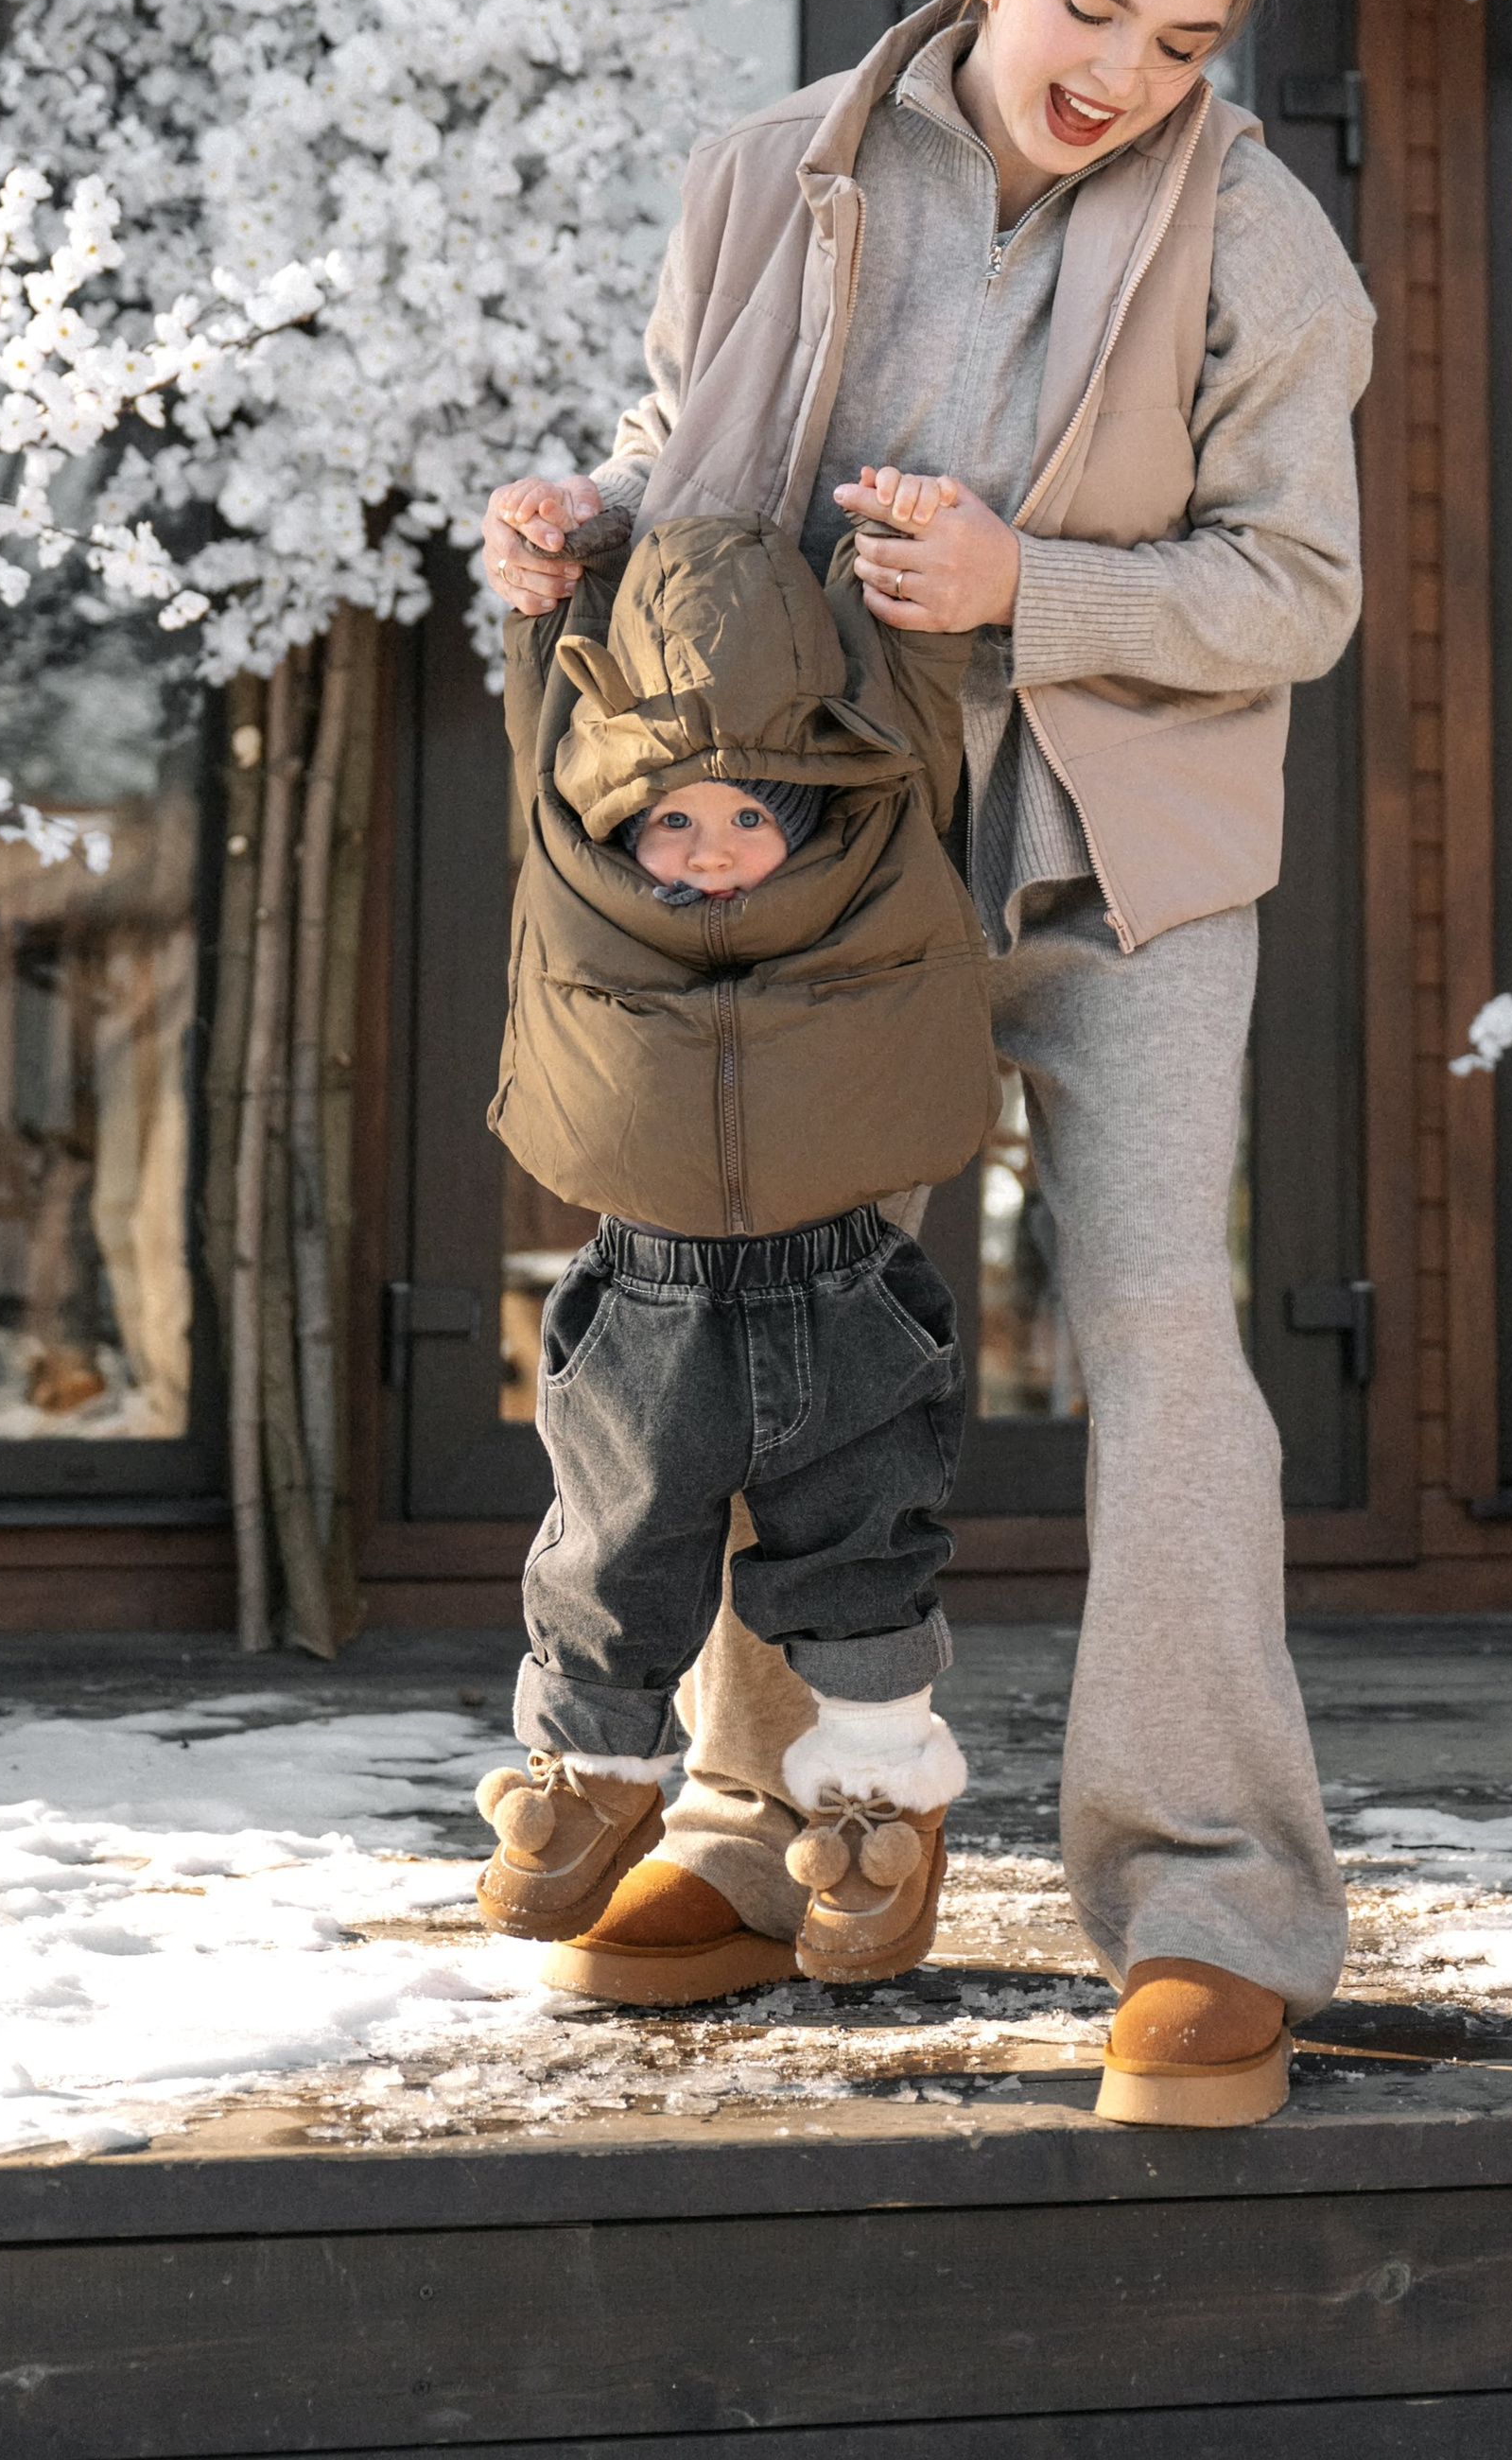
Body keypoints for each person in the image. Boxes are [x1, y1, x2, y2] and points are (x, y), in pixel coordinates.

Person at [482, 0, 1372, 2129]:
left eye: (1179, 41)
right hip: (815, 872)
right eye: (1090, 4)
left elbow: (1297, 589)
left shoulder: (1262, 243)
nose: (1122, 70)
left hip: (1112, 864)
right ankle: (758, 1835)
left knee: (1162, 1336)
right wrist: (583, 522)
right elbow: (685, 453)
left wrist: (1025, 592)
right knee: (777, 1326)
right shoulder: (762, 173)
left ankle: (1208, 1908)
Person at [473, 499, 997, 1993]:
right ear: (619, 817)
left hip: (850, 1286)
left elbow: (907, 713)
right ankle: (588, 1784)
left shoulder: (879, 836)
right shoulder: (575, 862)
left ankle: (877, 1813)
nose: (712, 855)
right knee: (610, 1551)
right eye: (674, 824)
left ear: (810, 812)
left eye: (752, 820)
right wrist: (558, 590)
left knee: (862, 1552)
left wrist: (897, 586)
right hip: (644, 1290)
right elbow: (547, 714)